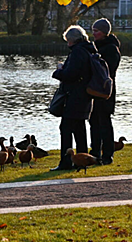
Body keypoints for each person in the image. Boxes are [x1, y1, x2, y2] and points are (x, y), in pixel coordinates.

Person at [50, 25, 98, 171]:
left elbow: (72, 75)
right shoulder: (88, 50)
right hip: (84, 97)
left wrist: (59, 71)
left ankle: (65, 162)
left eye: (68, 41)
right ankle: (82, 160)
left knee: (65, 128)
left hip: (74, 97)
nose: (67, 44)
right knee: (79, 129)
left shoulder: (78, 52)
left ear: (72, 40)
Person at [89, 18, 121, 165]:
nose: (94, 33)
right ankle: (95, 151)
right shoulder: (95, 47)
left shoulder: (111, 49)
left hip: (105, 91)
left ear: (104, 32)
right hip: (94, 91)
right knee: (93, 121)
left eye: (97, 31)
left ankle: (108, 154)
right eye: (93, 30)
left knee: (104, 123)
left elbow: (109, 71)